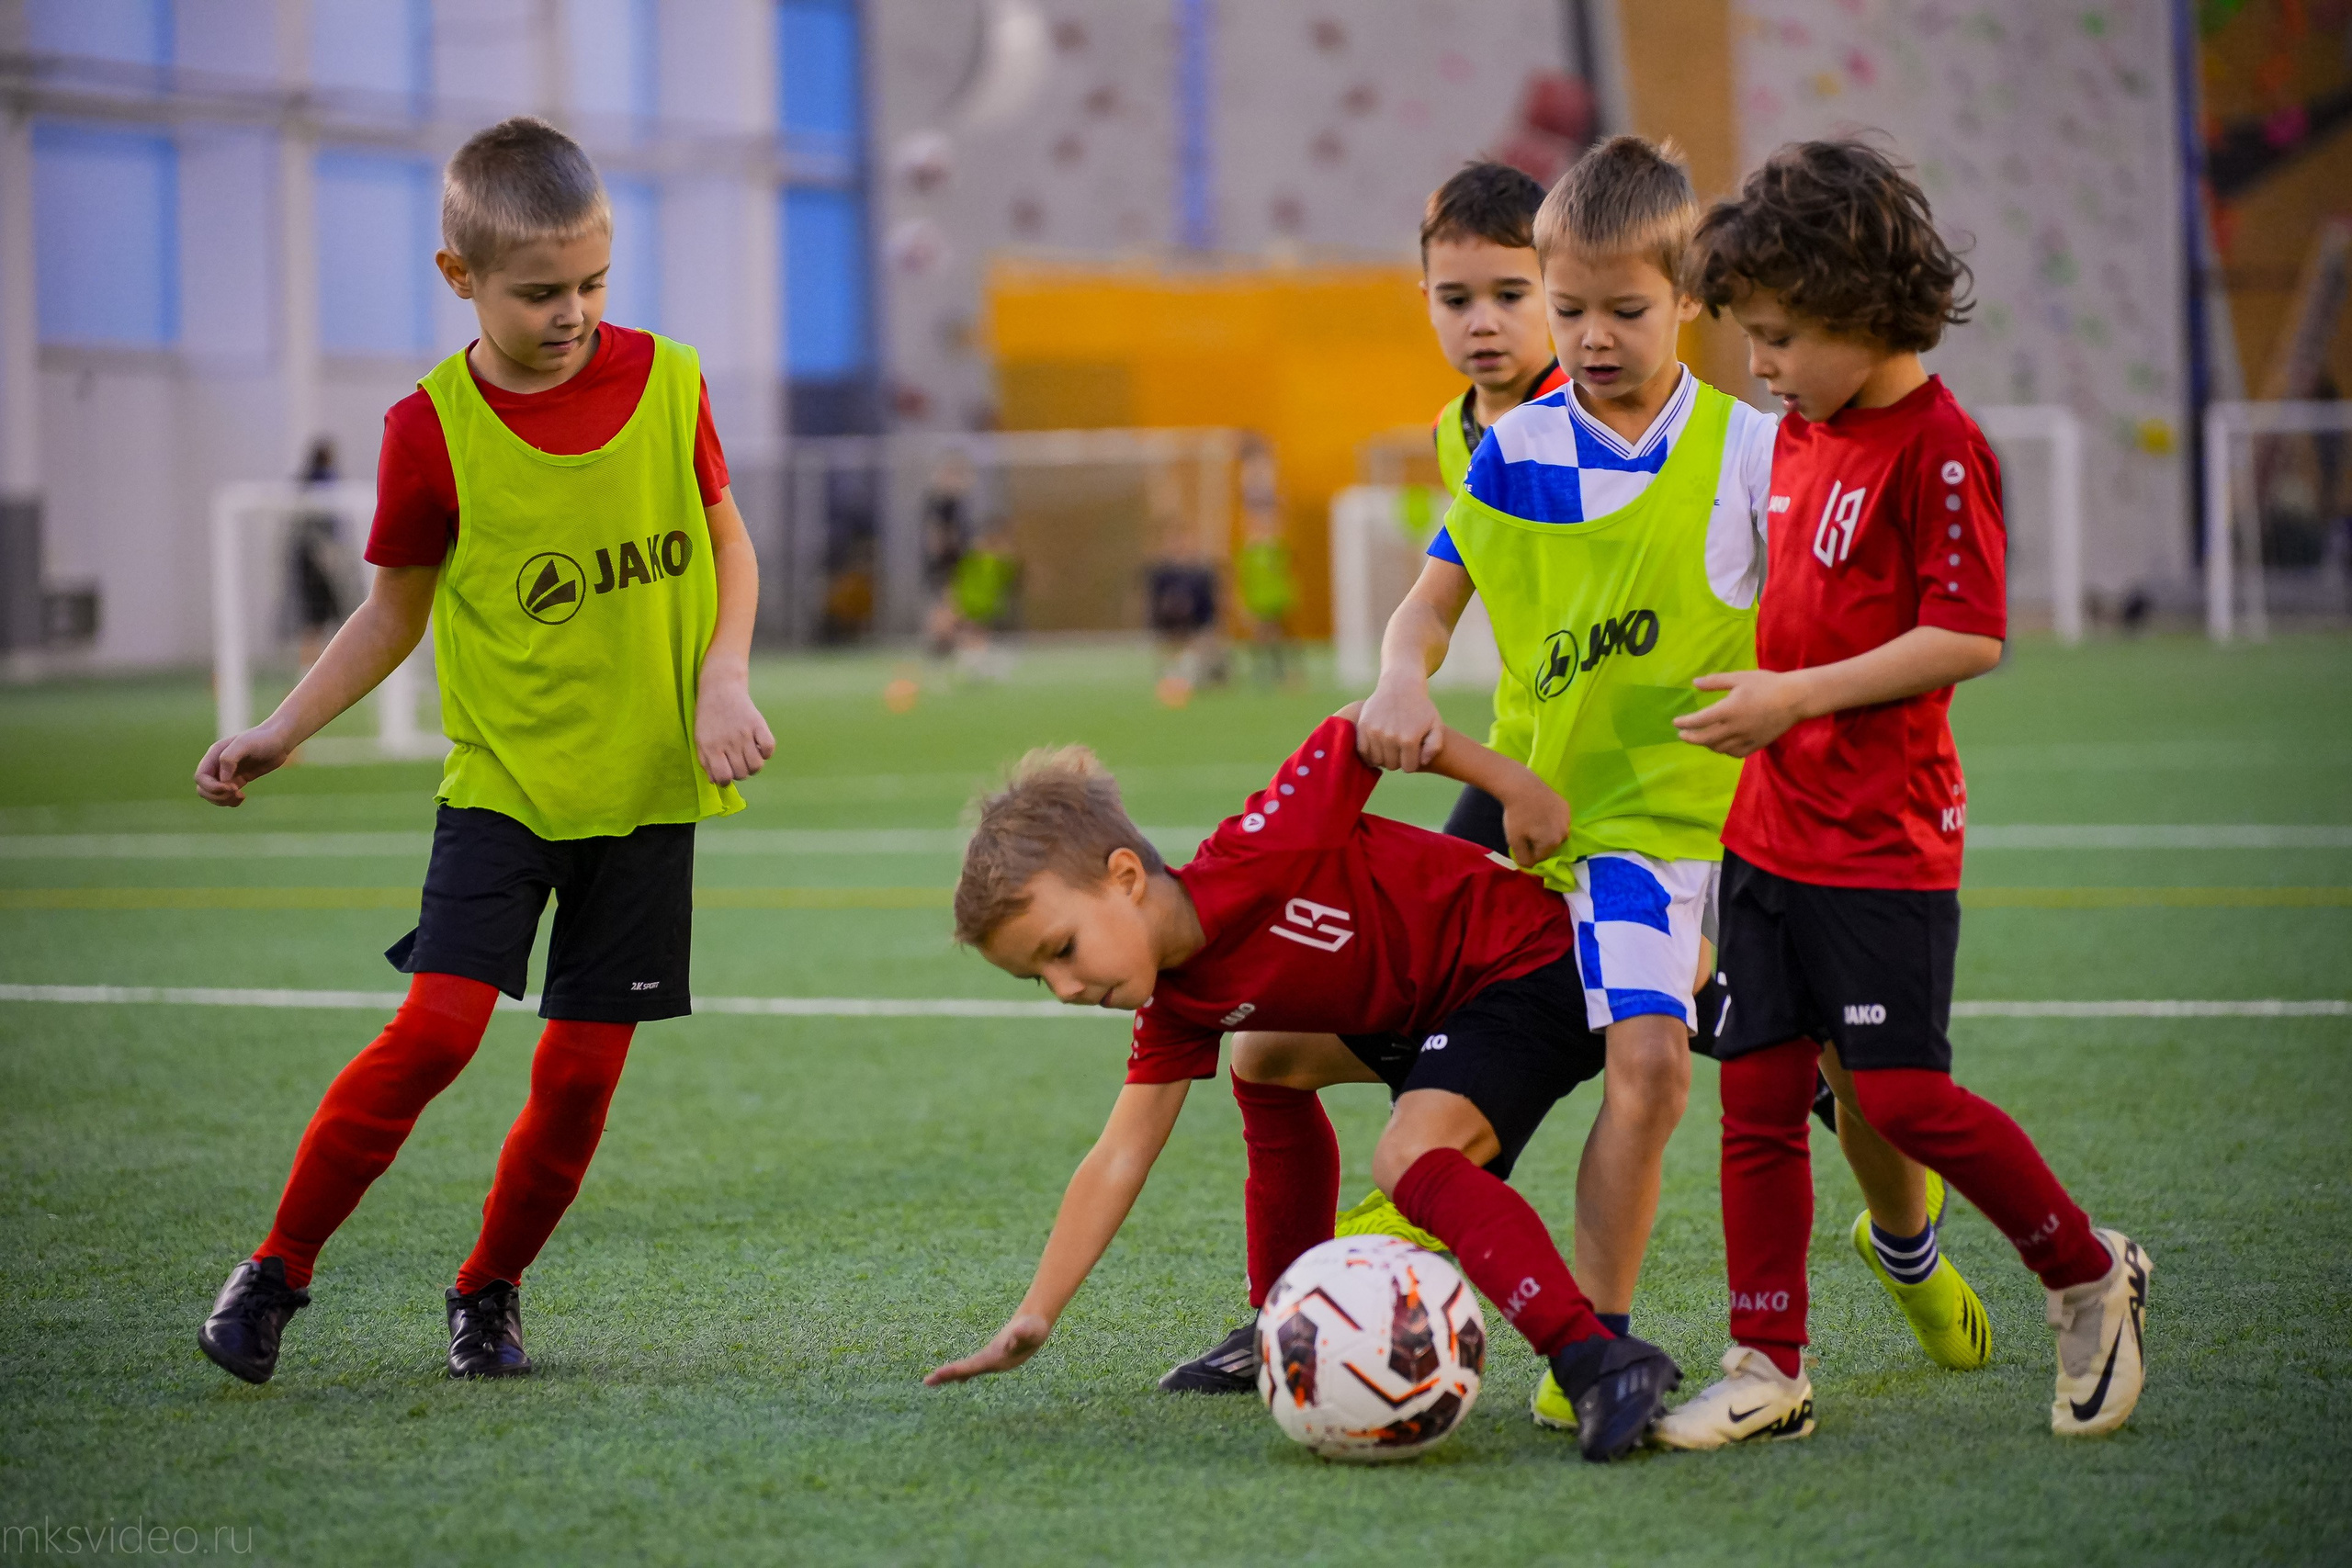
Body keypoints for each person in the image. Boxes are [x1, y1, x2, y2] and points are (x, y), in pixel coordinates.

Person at [1361, 136, 1970, 1430]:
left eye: (1624, 311)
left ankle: (1907, 1246)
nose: (1591, 337)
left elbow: (1836, 624)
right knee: (1651, 1064)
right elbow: (1426, 608)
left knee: (1860, 1082)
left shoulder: (1757, 451)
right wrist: (1401, 676)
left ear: (1689, 298)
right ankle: (1592, 1349)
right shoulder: (1513, 454)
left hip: (1762, 834)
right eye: (1567, 309)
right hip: (1614, 838)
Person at [192, 117, 774, 1385]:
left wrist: (721, 677)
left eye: (593, 282)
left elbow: (730, 544)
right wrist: (281, 728)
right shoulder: (428, 427)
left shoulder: (670, 379)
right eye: (540, 292)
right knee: (437, 1034)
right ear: (459, 276)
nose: (573, 314)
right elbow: (390, 612)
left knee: (577, 1079)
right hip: (505, 784)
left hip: (647, 794)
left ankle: (487, 1290)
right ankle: (276, 1268)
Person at [1655, 140, 2150, 1449]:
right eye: (1750, 335)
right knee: (1757, 1095)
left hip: (1880, 843)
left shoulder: (1940, 448)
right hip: (1769, 829)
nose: (1759, 362)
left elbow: (1968, 635)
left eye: (1779, 336)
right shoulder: (1798, 434)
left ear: (1865, 310)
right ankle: (1767, 1362)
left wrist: (1795, 697)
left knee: (1903, 1101)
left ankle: (2086, 1276)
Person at [924, 710, 1682, 1462]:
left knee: (1409, 1157)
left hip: (1529, 966)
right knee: (1263, 1056)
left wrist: (1512, 785)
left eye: (1062, 948)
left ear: (1125, 877)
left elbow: (1365, 725)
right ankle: (1284, 1316)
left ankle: (1595, 1357)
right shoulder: (1177, 1003)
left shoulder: (1262, 845)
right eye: (1039, 976)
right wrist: (1036, 1314)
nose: (1064, 987)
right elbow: (1120, 1154)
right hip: (1430, 1006)